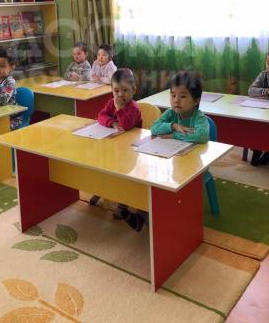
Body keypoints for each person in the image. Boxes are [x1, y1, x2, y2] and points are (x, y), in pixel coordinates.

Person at [117, 71, 210, 232]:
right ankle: (142, 215)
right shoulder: (171, 113)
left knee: (166, 187)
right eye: (173, 95)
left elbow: (201, 135)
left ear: (196, 100)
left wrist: (174, 135)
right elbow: (155, 128)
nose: (176, 100)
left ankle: (158, 217)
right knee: (150, 177)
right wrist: (173, 125)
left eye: (183, 96)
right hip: (171, 160)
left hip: (193, 168)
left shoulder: (198, 117)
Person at [90, 68, 143, 228]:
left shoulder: (133, 108)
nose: (120, 95)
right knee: (103, 168)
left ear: (134, 90)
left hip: (129, 152)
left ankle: (122, 205)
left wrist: (119, 109)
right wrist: (111, 122)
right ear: (111, 90)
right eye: (116, 91)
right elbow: (101, 116)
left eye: (125, 90)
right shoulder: (111, 103)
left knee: (123, 178)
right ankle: (101, 190)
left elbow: (126, 125)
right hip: (112, 147)